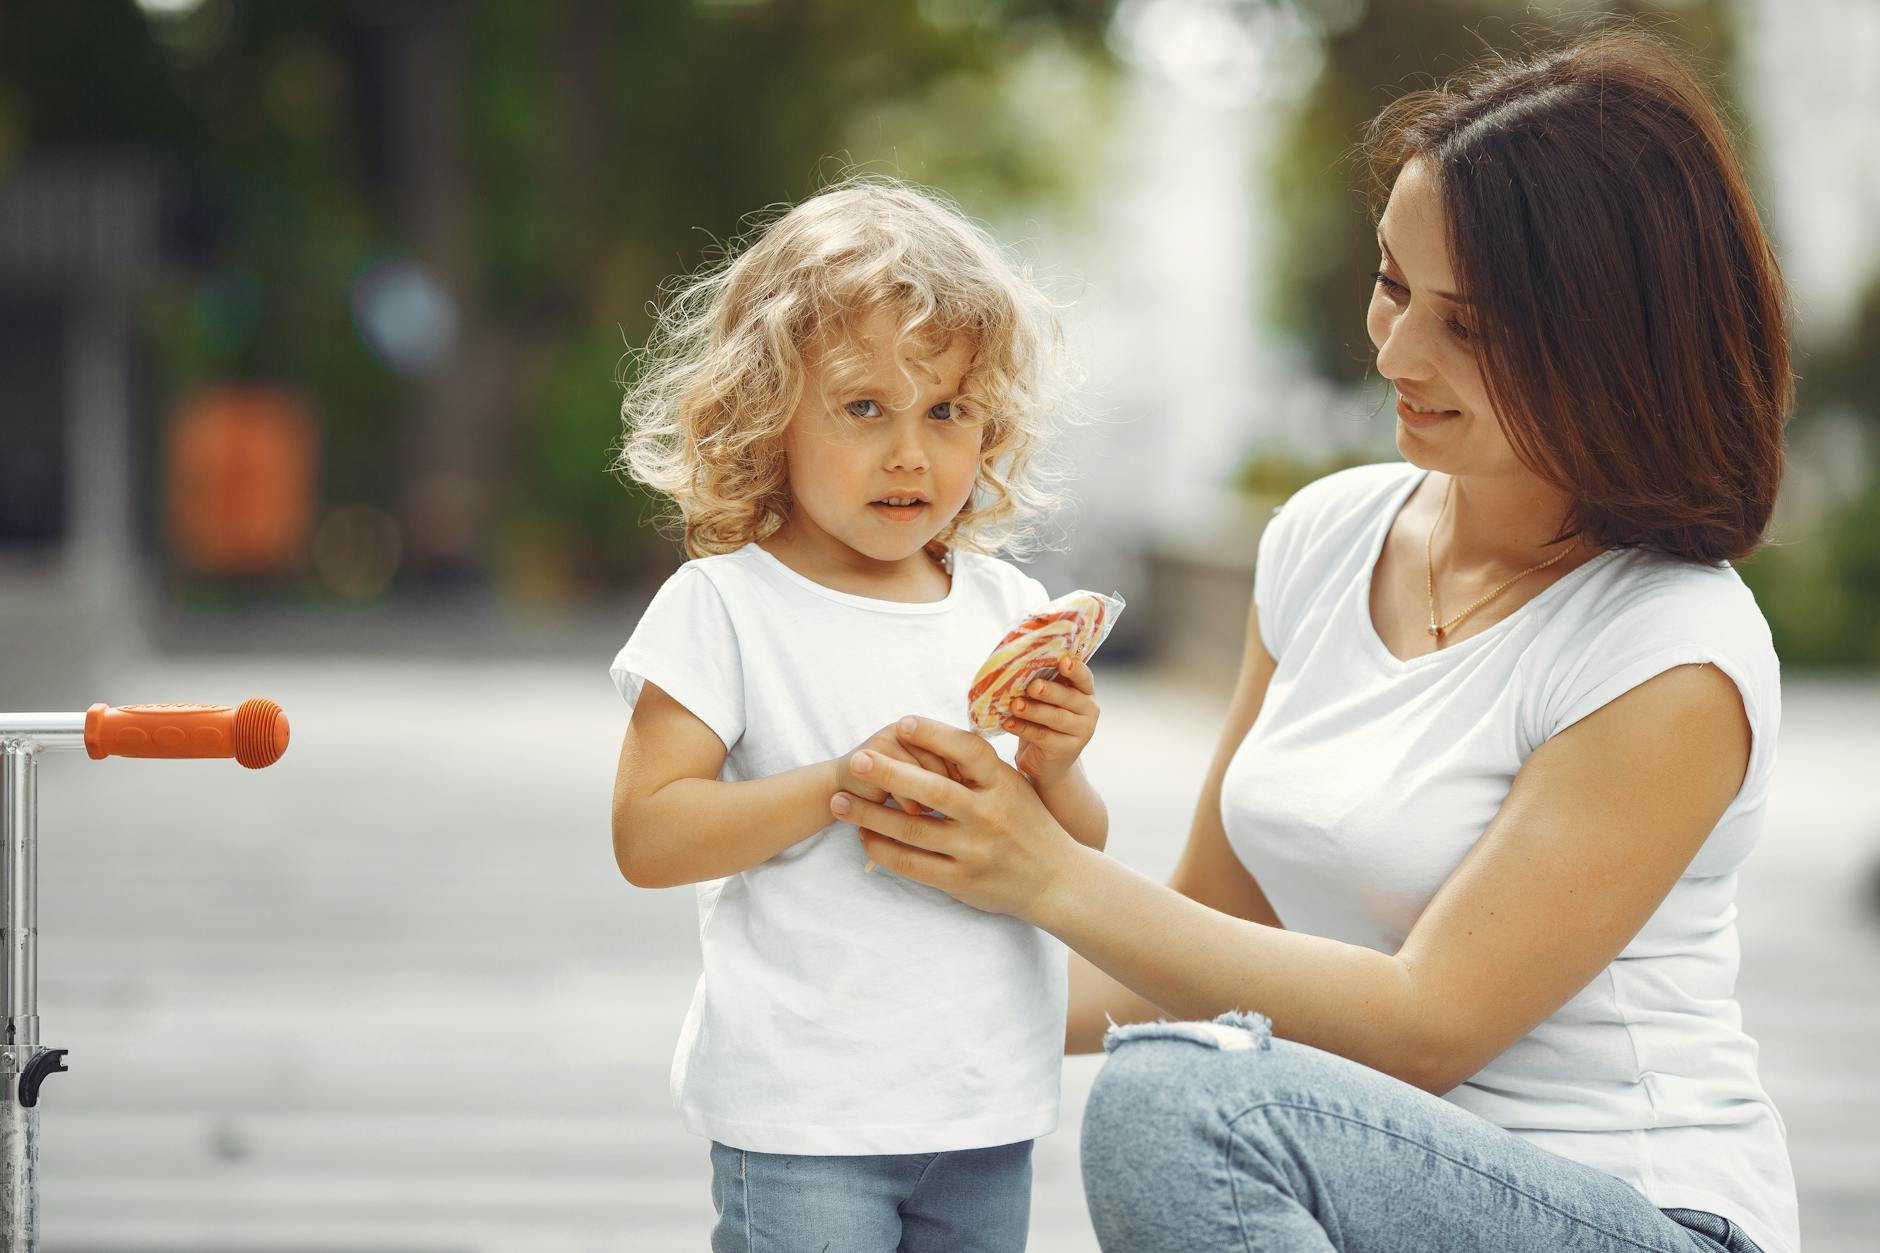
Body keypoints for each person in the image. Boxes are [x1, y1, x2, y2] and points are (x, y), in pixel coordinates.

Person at [831, 29, 1796, 1253]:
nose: (1395, 350)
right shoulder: (1328, 536)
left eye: (1470, 324)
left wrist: (1044, 868)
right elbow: (1189, 946)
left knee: (1186, 1103)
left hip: (1638, 1211)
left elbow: (1425, 1022)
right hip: (1356, 1193)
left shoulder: (1668, 647)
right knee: (1177, 1083)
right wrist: (863, 1005)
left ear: (1608, 341)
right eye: (1394, 285)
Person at [608, 177, 1109, 1253]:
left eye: (946, 412)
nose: (908, 453)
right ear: (766, 407)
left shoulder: (1008, 610)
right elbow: (650, 834)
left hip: (983, 1101)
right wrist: (840, 782)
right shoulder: (726, 605)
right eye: (863, 406)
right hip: (801, 1109)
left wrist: (1060, 766)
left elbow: (1075, 856)